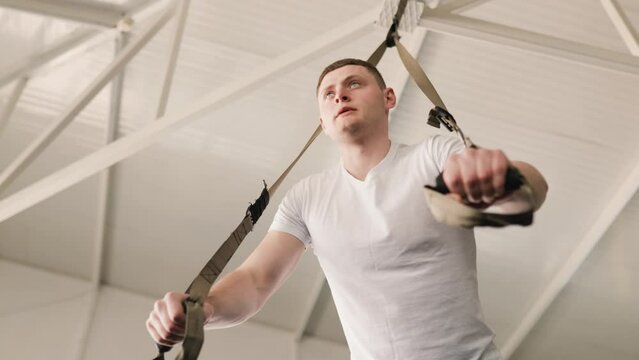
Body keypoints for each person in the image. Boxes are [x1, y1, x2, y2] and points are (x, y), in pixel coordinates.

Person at [146, 58, 548, 359]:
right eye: (329, 92)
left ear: (389, 98)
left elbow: (528, 191)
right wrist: (204, 309)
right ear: (322, 121)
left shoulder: (435, 155)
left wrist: (504, 178)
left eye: (355, 84)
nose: (340, 94)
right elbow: (256, 280)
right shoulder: (307, 197)